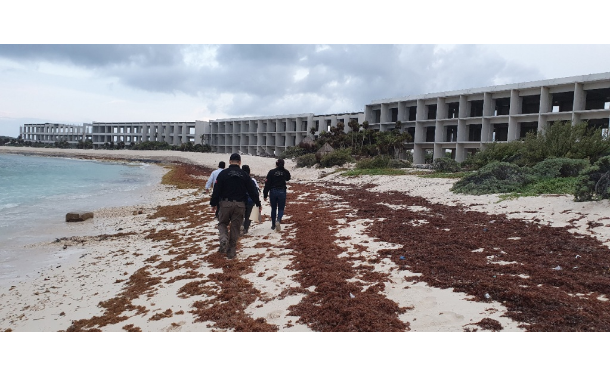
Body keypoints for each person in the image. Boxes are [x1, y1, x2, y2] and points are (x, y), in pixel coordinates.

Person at [210, 153, 261, 259]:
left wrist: (213, 203)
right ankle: (231, 252)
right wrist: (258, 203)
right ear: (240, 162)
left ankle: (224, 238)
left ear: (229, 161)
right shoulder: (244, 175)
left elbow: (216, 190)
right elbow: (252, 191)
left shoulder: (223, 174)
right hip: (240, 204)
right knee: (235, 227)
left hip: (225, 203)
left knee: (222, 223)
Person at [263, 158, 291, 232]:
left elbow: (267, 184)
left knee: (274, 208)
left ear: (276, 164)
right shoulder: (285, 172)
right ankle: (278, 220)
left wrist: (265, 194)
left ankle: (273, 225)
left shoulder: (271, 172)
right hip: (282, 191)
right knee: (281, 208)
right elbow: (288, 178)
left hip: (273, 191)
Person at [241, 165, 261, 235]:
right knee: (248, 216)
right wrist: (258, 203)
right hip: (250, 200)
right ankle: (245, 229)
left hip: (240, 200)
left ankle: (241, 225)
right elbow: (256, 191)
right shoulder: (252, 180)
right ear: (249, 172)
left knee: (240, 215)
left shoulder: (239, 180)